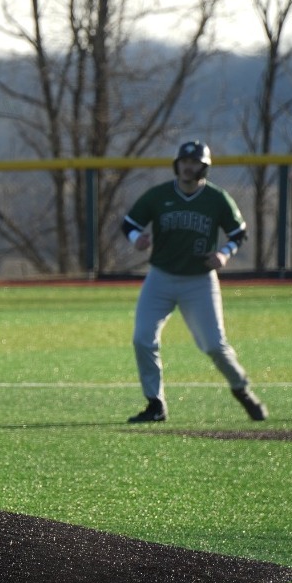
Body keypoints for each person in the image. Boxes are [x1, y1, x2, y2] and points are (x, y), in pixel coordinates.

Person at [121, 140, 264, 423]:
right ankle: (155, 404)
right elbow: (129, 223)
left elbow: (238, 233)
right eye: (184, 162)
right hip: (160, 277)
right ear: (177, 164)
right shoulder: (159, 195)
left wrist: (224, 254)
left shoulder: (216, 199)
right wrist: (137, 239)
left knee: (214, 345)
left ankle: (241, 389)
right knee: (142, 339)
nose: (188, 167)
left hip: (199, 281)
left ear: (204, 167)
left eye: (194, 162)